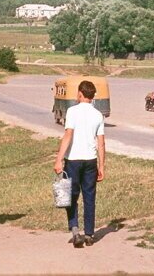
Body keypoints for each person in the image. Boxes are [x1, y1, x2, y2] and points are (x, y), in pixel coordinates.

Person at [54, 80, 106, 248]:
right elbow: (101, 143)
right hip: (90, 161)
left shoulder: (72, 111)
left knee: (70, 196)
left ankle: (76, 231)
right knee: (89, 197)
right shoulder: (98, 115)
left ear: (80, 94)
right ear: (92, 96)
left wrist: (58, 158)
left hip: (73, 160)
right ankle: (90, 234)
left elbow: (68, 135)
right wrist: (102, 166)